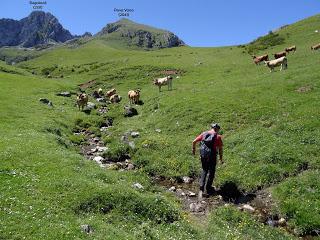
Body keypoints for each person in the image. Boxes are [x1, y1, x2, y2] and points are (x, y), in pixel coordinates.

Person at [192, 123, 224, 196]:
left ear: (211, 128)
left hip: (203, 155)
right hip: (212, 156)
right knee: (212, 171)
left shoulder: (204, 134)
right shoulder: (218, 137)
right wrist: (221, 158)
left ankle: (201, 187)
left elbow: (194, 142)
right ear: (217, 129)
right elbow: (220, 149)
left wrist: (193, 150)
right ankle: (208, 188)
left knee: (204, 169)